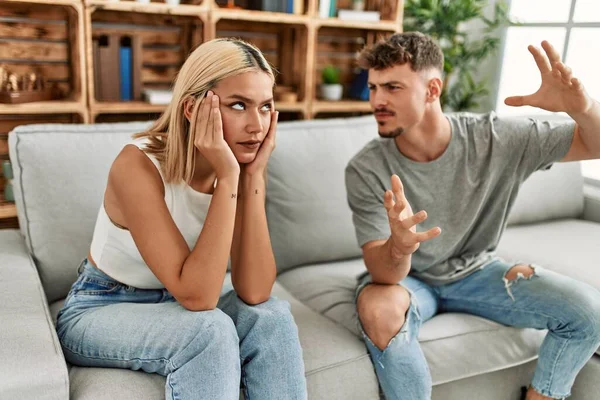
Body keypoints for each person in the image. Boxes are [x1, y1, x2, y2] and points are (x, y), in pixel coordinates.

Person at [345, 32, 600, 400]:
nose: (377, 100)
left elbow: (594, 143)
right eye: (373, 87)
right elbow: (383, 272)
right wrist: (399, 247)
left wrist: (583, 107)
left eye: (393, 87)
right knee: (377, 308)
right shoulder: (365, 168)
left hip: (478, 272)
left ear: (432, 89)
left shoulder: (496, 139)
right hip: (408, 282)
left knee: (588, 311)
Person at [56, 38, 307, 400]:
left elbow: (255, 291)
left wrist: (250, 177)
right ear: (192, 108)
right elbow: (199, 297)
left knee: (271, 317)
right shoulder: (137, 167)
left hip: (175, 306)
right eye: (239, 105)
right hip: (103, 306)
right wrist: (230, 177)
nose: (257, 125)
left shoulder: (242, 163)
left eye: (266, 107)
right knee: (209, 330)